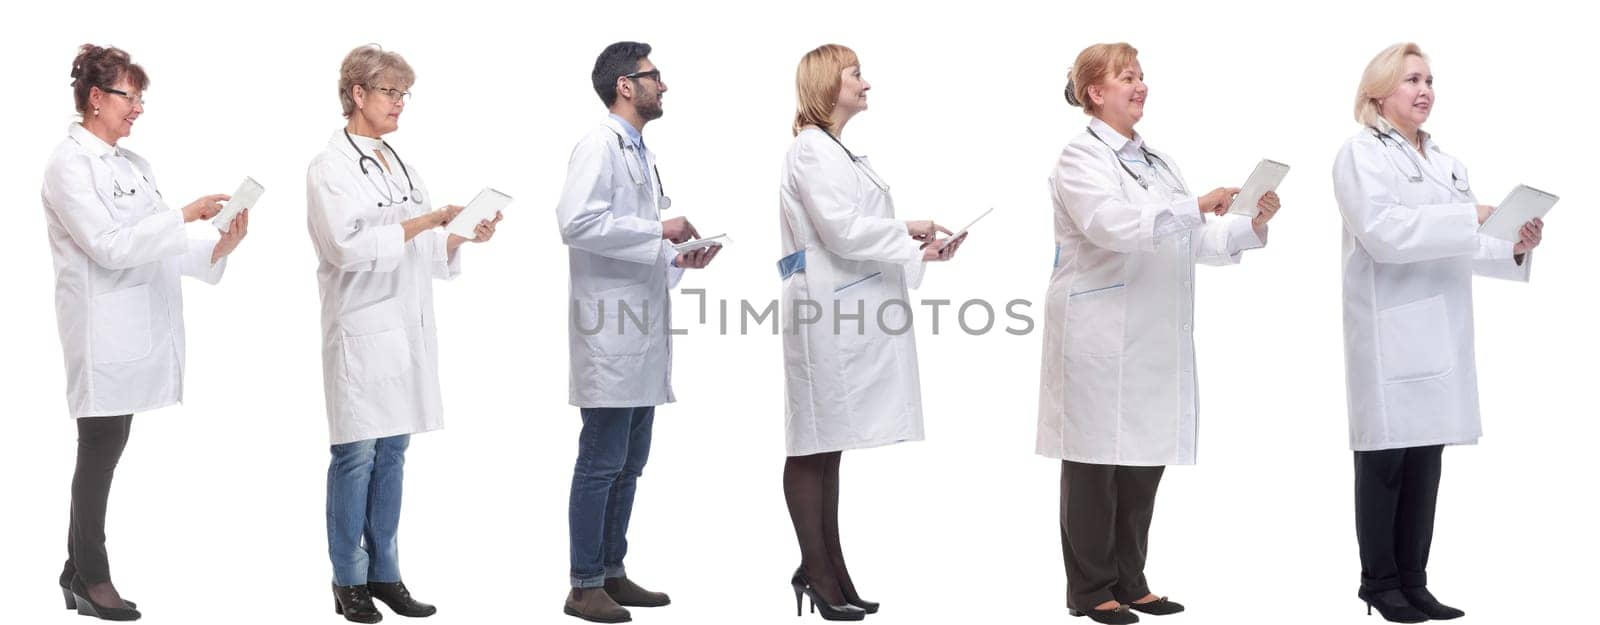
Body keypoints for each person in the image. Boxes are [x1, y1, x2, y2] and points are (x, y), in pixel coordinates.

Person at [1036, 42, 1279, 625]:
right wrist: (1196, 206)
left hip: (1150, 335)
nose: (1140, 86)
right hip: (1099, 331)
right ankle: (1091, 590)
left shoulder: (1157, 161)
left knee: (1142, 461)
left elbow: (1190, 238)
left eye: (1142, 76)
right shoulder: (1079, 159)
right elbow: (1112, 226)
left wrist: (1248, 223)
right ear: (1096, 92)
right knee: (1095, 464)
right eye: (1127, 78)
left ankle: (1130, 579)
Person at [1331, 42, 1541, 623]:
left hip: (1440, 329)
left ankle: (1415, 583)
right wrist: (1470, 215)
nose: (1424, 90)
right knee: (1386, 460)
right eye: (1411, 81)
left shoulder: (1446, 163)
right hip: (1387, 328)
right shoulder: (1361, 155)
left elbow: (1469, 244)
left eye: (1428, 80)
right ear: (1379, 93)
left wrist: (1512, 245)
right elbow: (1383, 232)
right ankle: (1378, 583)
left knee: (1426, 460)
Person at [43, 43, 249, 622]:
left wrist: (216, 245)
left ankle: (73, 569)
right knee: (100, 450)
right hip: (101, 330)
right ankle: (92, 575)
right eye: (128, 97)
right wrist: (181, 216)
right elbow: (109, 248)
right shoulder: (68, 164)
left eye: (140, 98)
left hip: (138, 327)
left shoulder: (135, 167)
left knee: (106, 448)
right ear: (95, 99)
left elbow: (156, 245)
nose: (137, 109)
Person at [307, 43, 501, 624]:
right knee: (356, 456)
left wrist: (463, 233)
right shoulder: (329, 167)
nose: (399, 103)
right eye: (389, 92)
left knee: (394, 452)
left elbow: (423, 251)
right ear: (357, 94)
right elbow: (346, 247)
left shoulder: (399, 162)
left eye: (402, 92)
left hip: (404, 331)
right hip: (362, 331)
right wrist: (429, 217)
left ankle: (386, 573)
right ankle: (349, 581)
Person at [778, 43, 966, 622]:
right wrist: (908, 241)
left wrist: (910, 233)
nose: (866, 82)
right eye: (855, 73)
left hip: (844, 311)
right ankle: (817, 569)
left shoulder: (837, 151)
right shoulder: (811, 149)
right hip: (823, 314)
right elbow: (839, 230)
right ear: (827, 84)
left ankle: (828, 568)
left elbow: (854, 222)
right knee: (813, 441)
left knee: (830, 443)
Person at [554, 40, 718, 624]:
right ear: (626, 84)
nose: (663, 85)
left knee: (629, 463)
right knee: (601, 462)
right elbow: (576, 223)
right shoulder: (598, 144)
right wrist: (659, 227)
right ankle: (582, 584)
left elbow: (635, 241)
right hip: (610, 335)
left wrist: (678, 256)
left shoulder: (638, 150)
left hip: (640, 332)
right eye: (654, 76)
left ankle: (612, 572)